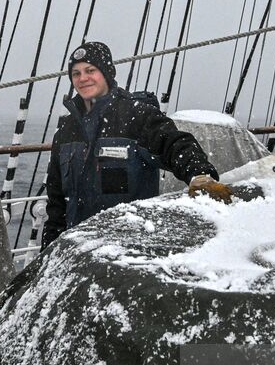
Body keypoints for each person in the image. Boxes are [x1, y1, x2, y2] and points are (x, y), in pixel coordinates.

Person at [41, 41, 228, 249]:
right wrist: (49, 247)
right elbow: (56, 203)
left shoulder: (137, 116)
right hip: (78, 248)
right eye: (76, 73)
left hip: (128, 249)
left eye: (90, 70)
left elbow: (175, 144)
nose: (82, 78)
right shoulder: (66, 131)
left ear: (107, 72)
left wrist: (199, 175)